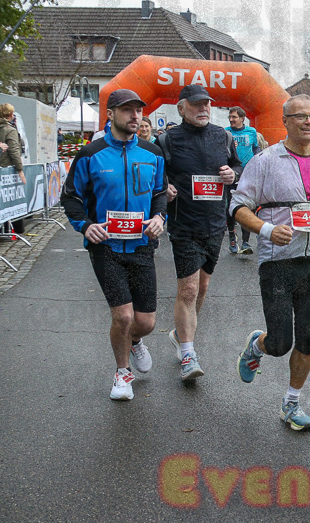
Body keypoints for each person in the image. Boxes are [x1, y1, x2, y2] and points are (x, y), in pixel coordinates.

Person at [231, 94, 310, 430]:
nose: (309, 122)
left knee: (309, 339)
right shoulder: (265, 160)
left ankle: (291, 403)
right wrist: (268, 229)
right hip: (277, 262)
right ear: (285, 121)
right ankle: (258, 345)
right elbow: (239, 206)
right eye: (300, 116)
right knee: (280, 343)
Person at [60, 90, 166, 400]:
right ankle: (122, 373)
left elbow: (160, 192)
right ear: (111, 114)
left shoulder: (153, 153)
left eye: (138, 110)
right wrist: (86, 225)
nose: (135, 116)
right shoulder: (90, 154)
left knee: (145, 322)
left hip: (142, 245)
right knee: (123, 316)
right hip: (105, 247)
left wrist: (160, 217)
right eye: (127, 110)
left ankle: (134, 341)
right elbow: (70, 197)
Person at [156, 84, 241, 382]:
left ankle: (181, 335)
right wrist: (163, 187)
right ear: (181, 108)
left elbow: (236, 165)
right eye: (196, 104)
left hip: (215, 222)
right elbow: (157, 173)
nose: (203, 108)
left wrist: (234, 174)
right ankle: (189, 353)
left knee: (202, 289)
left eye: (206, 104)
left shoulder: (223, 135)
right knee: (188, 289)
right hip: (184, 224)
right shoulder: (167, 139)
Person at [226, 106, 260, 254]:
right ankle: (232, 238)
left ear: (242, 118)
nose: (231, 119)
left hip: (248, 175)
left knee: (248, 206)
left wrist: (258, 160)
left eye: (234, 117)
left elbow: (256, 148)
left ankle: (246, 242)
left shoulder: (251, 132)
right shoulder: (225, 132)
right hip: (232, 174)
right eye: (230, 117)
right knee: (230, 207)